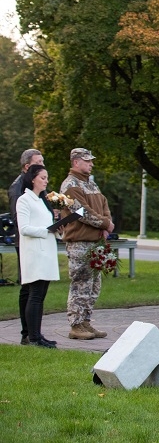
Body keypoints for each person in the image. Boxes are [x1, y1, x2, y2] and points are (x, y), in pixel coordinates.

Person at [61, 148, 115, 340]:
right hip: (79, 242)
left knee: (93, 285)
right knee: (80, 284)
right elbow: (82, 212)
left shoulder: (90, 184)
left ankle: (86, 322)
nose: (91, 164)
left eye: (91, 161)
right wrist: (105, 223)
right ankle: (76, 325)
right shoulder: (70, 185)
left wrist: (106, 223)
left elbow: (104, 204)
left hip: (95, 241)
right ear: (76, 162)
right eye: (87, 161)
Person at [15, 164, 59, 347]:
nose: (46, 181)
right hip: (34, 252)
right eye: (43, 178)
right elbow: (24, 228)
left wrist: (57, 228)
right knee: (34, 295)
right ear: (32, 178)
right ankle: (32, 338)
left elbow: (47, 225)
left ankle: (37, 334)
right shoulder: (24, 200)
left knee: (40, 296)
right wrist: (46, 230)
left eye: (47, 178)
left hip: (47, 251)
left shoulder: (42, 200)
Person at [8, 148, 44, 345]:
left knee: (33, 289)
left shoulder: (36, 185)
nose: (42, 166)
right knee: (29, 289)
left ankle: (32, 332)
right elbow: (19, 220)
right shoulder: (18, 188)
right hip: (26, 243)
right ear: (27, 166)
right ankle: (27, 333)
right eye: (39, 162)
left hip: (38, 241)